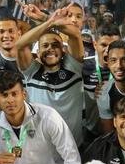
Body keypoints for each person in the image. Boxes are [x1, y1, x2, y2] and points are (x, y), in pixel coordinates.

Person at [14, 10, 85, 143]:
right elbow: (19, 45)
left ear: (63, 50)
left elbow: (75, 34)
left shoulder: (73, 67)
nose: (50, 49)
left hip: (72, 148)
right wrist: (49, 22)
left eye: (55, 45)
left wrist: (45, 17)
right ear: (38, 52)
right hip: (39, 149)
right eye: (45, 46)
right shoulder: (31, 71)